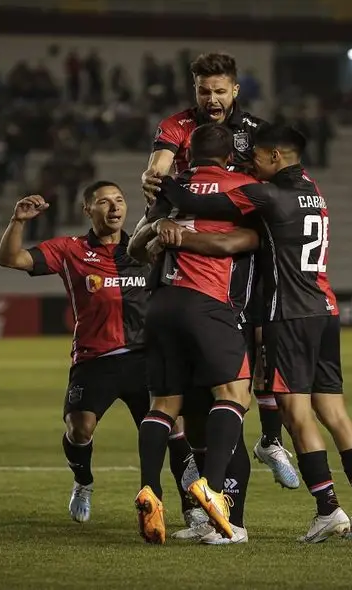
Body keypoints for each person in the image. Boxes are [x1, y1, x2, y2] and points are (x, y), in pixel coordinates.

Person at [149, 124, 352, 544]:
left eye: (255, 157)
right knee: (334, 412)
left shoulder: (268, 194)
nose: (248, 163)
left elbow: (187, 199)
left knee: (296, 415)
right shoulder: (313, 189)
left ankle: (329, 509)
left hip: (289, 313)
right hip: (325, 308)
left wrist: (161, 180)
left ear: (277, 156)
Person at [0, 181, 204, 526]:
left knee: (173, 431)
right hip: (95, 360)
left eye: (119, 200)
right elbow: (10, 259)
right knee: (80, 429)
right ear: (87, 210)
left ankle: (192, 507)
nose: (114, 208)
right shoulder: (70, 249)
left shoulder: (145, 249)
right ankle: (84, 481)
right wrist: (18, 221)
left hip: (146, 358)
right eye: (104, 202)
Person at [140, 51, 294, 489]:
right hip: (187, 254)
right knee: (196, 386)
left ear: (235, 90)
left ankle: (269, 439)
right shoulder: (176, 125)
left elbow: (277, 185)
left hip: (237, 254)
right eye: (204, 91)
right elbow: (157, 173)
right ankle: (201, 476)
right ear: (195, 90)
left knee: (264, 343)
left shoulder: (256, 132)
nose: (212, 98)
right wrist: (157, 182)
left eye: (220, 90)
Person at [126, 124, 258, 544]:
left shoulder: (172, 187)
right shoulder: (242, 185)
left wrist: (164, 226)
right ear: (229, 156)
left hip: (161, 304)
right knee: (234, 395)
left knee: (164, 405)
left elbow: (132, 249)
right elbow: (260, 237)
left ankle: (150, 489)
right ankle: (213, 491)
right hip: (208, 303)